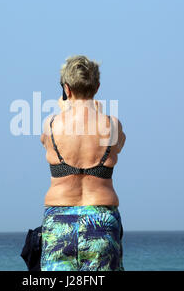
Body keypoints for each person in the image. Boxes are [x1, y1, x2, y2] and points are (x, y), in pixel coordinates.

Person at [40, 55, 126, 271]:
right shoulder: (112, 125)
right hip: (101, 220)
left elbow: (45, 144)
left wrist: (65, 111)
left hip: (59, 220)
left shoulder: (50, 124)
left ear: (66, 89)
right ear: (97, 87)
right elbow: (120, 145)